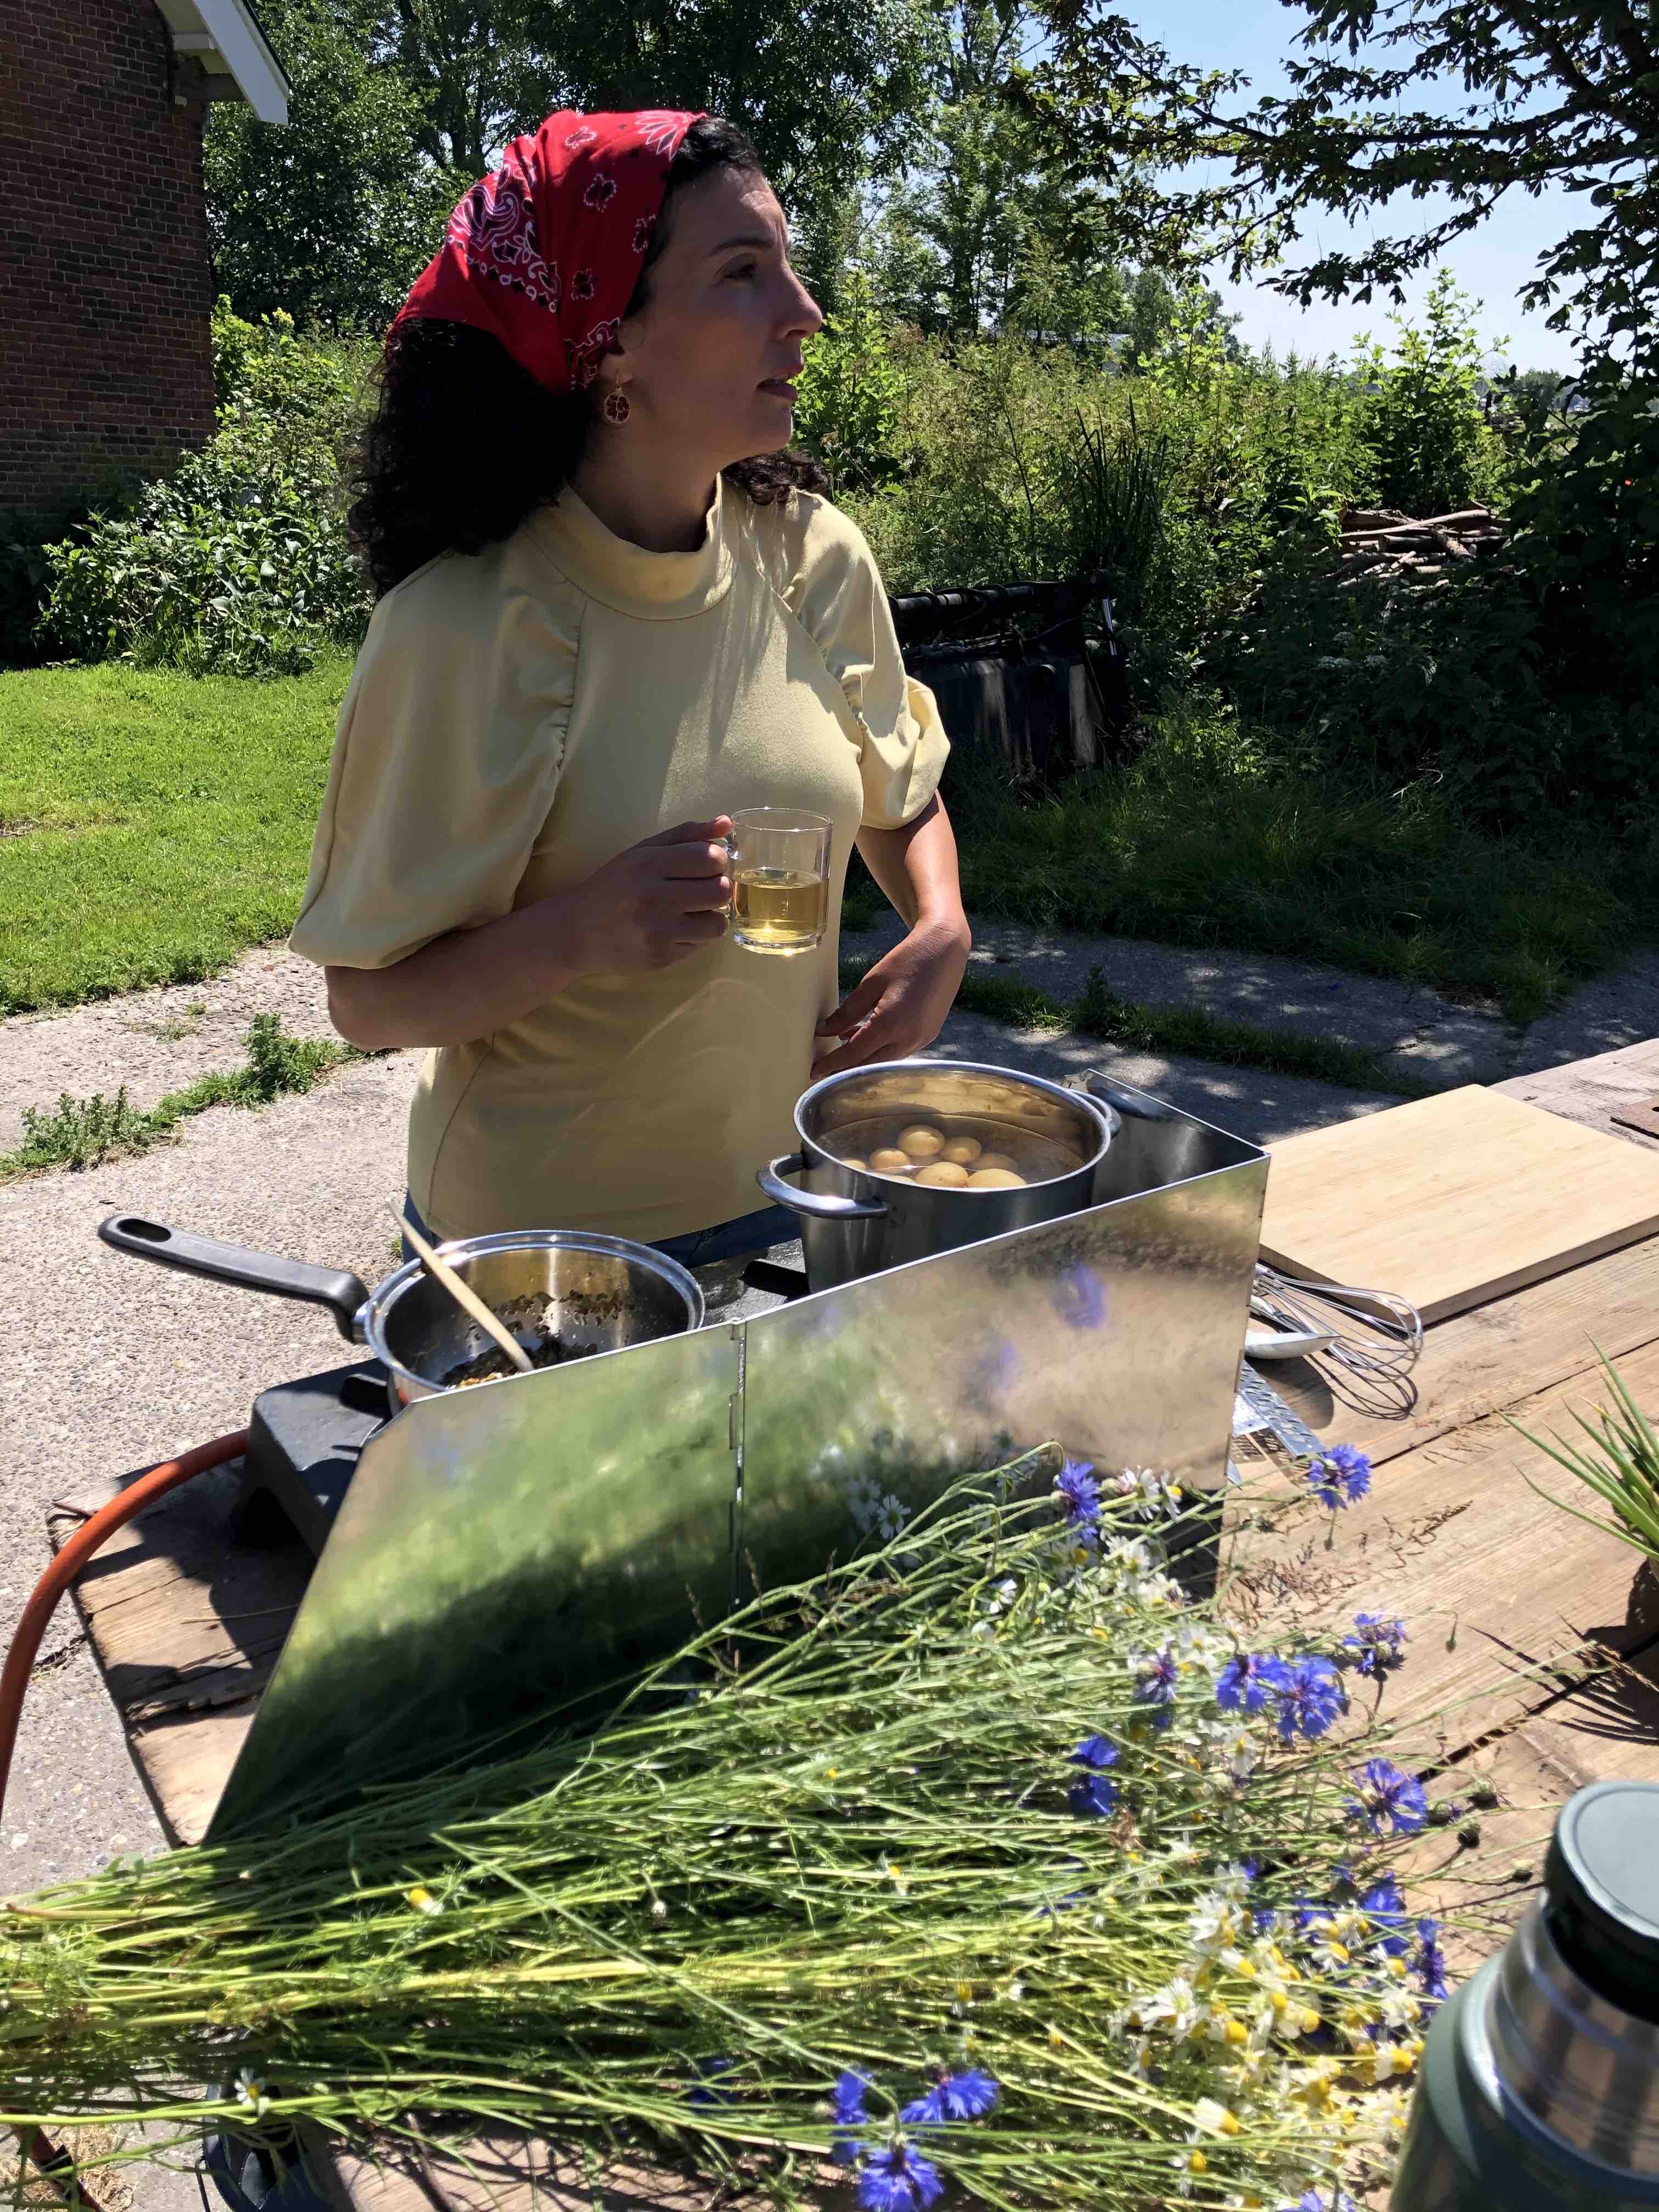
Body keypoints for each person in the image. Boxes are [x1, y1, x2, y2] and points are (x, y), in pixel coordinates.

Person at [290, 108, 970, 1265]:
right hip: (543, 1253)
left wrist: (941, 927)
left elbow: (898, 796)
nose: (805, 314)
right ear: (608, 340)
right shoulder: (472, 622)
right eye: (744, 274)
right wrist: (577, 935)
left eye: (791, 268)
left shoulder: (811, 552)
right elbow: (369, 1000)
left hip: (787, 1193)